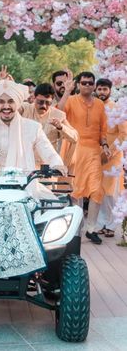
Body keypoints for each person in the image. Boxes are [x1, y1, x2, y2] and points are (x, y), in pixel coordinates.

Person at [0, 79, 67, 199]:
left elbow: (47, 150)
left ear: (18, 103)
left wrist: (57, 164)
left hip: (24, 187)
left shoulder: (32, 128)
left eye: (11, 101)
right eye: (1, 102)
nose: (6, 106)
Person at [64, 72, 111, 245]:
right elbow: (58, 113)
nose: (87, 86)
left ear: (93, 85)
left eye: (90, 83)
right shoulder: (71, 100)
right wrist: (67, 92)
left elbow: (103, 130)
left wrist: (105, 145)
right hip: (75, 149)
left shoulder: (99, 104)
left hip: (93, 151)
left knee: (96, 190)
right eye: (84, 83)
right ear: (79, 85)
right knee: (76, 191)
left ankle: (91, 229)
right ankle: (76, 228)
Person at [95, 78, 127, 237]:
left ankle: (113, 225)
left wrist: (110, 152)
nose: (101, 92)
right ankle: (101, 224)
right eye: (99, 89)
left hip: (113, 157)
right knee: (99, 191)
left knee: (111, 192)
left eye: (104, 89)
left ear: (110, 91)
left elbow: (123, 134)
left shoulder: (116, 108)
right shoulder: (94, 107)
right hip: (97, 155)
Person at [19, 83, 78, 167]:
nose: (44, 105)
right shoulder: (24, 109)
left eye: (48, 103)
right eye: (40, 102)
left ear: (52, 100)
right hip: (24, 164)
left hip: (47, 167)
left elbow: (75, 137)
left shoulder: (58, 115)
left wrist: (61, 127)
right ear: (34, 98)